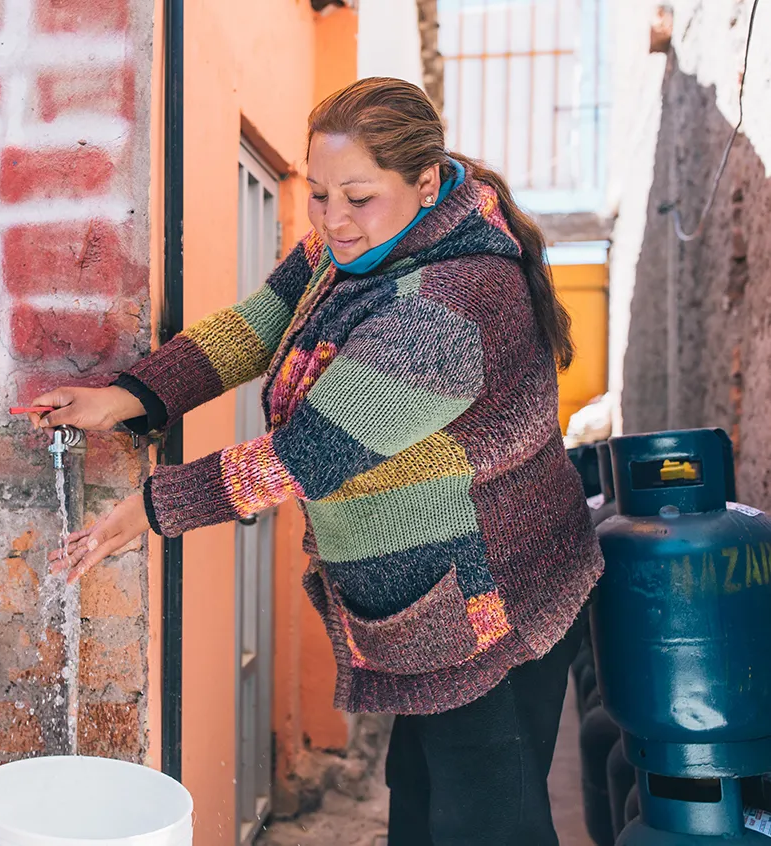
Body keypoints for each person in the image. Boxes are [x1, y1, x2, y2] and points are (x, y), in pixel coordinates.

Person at [30, 77, 603, 846]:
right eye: (319, 193)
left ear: (425, 183)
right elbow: (256, 325)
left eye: (358, 197)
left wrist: (150, 510)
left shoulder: (457, 304)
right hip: (437, 611)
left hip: (494, 602)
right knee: (424, 802)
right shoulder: (356, 247)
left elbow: (308, 456)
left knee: (485, 819)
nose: (335, 220)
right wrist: (127, 397)